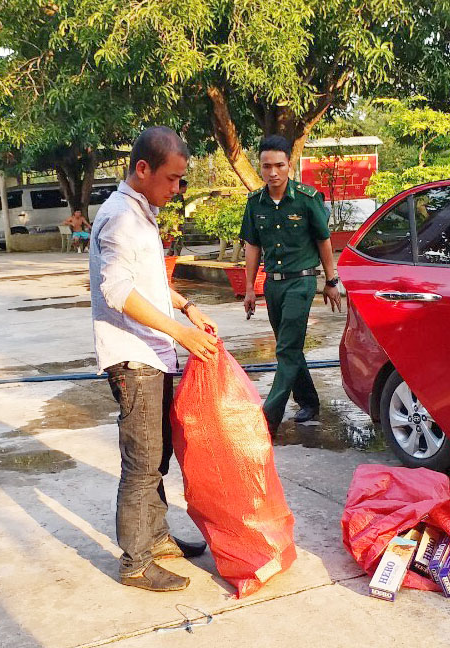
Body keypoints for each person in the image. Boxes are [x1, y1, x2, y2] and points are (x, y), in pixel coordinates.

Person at [89, 126, 220, 592]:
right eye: (172, 178)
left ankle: (158, 537)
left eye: (182, 180)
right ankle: (136, 563)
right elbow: (118, 290)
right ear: (142, 169)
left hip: (154, 354)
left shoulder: (141, 213)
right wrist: (180, 332)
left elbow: (146, 283)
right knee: (142, 465)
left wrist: (185, 306)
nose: (177, 189)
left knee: (158, 456)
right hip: (135, 359)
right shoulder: (121, 218)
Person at [240, 135, 343, 434]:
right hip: (273, 285)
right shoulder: (255, 203)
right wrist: (250, 288)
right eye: (266, 166)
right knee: (291, 347)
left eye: (279, 166)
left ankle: (268, 418)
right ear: (260, 167)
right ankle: (309, 401)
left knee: (285, 348)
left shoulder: (307, 199)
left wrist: (331, 280)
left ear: (290, 165)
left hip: (302, 282)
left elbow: (324, 241)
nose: (273, 172)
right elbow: (252, 246)